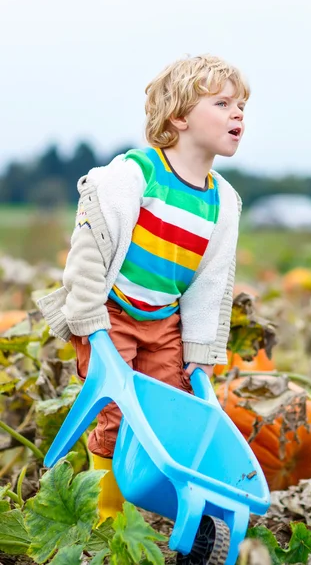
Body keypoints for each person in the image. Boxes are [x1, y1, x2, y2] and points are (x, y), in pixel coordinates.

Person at [37, 54, 248, 521]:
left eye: (242, 107)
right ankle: (107, 516)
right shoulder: (137, 174)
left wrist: (200, 350)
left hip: (163, 320)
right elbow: (93, 243)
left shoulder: (222, 202)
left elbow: (209, 285)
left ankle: (153, 505)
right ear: (179, 116)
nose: (239, 115)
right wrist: (89, 321)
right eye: (223, 103)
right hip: (111, 313)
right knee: (117, 413)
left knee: (165, 414)